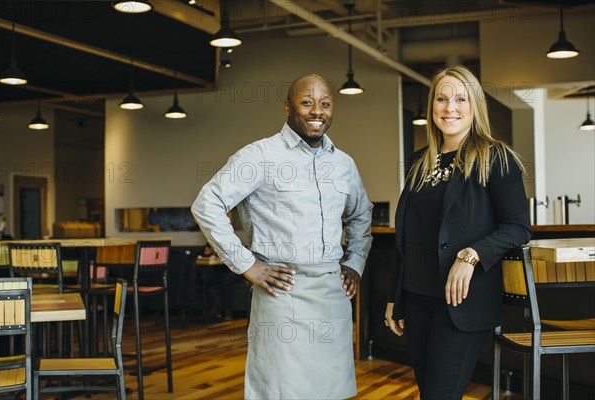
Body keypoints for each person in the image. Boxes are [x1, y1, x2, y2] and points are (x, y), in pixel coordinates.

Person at [192, 74, 373, 399]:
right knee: (280, 392)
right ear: (288, 107)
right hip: (282, 292)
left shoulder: (343, 164)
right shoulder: (260, 155)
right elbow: (207, 204)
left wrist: (355, 262)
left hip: (332, 296)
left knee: (330, 391)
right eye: (307, 102)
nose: (317, 111)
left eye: (325, 103)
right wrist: (247, 264)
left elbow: (361, 214)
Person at [384, 65, 531, 399]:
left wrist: (471, 255)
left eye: (460, 98)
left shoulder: (495, 157)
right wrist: (395, 297)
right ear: (432, 106)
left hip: (461, 303)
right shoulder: (419, 162)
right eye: (442, 98)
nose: (450, 107)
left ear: (474, 105)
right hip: (418, 301)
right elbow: (406, 237)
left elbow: (519, 227)